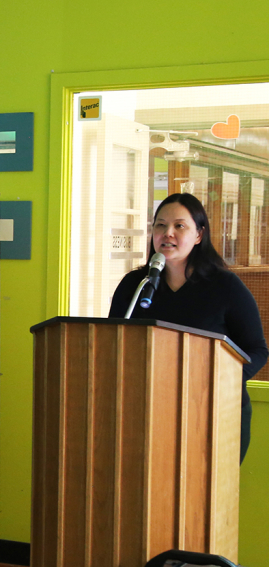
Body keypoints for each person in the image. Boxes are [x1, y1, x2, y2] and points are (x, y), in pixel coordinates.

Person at [109, 192, 268, 463]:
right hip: (148, 411)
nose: (167, 233)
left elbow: (257, 349)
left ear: (198, 235)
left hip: (213, 413)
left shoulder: (225, 287)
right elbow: (112, 342)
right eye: (160, 225)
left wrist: (221, 381)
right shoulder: (135, 285)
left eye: (179, 226)